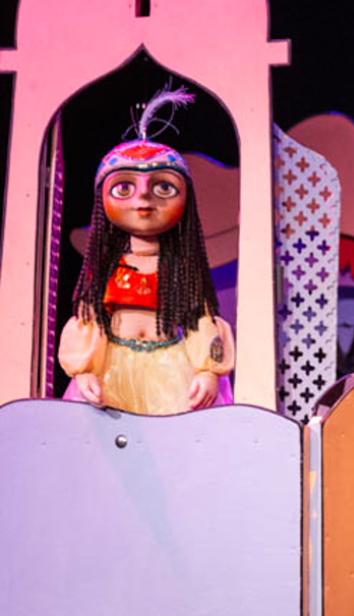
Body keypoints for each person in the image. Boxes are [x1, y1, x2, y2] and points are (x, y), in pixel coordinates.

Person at [59, 87, 234, 415]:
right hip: (115, 370)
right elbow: (91, 319)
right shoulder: (107, 266)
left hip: (170, 369)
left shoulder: (181, 269)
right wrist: (85, 371)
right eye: (125, 187)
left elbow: (200, 319)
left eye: (163, 187)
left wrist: (208, 370)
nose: (143, 199)